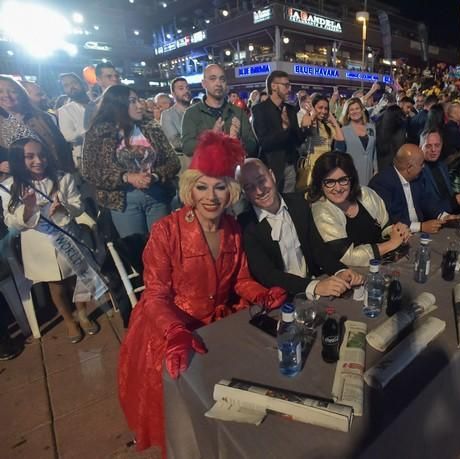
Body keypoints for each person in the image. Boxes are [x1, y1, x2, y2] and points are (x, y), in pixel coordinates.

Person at [118, 132, 285, 457]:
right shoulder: (166, 230)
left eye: (219, 186)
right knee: (181, 420)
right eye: (202, 186)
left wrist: (263, 295)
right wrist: (175, 331)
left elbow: (241, 280)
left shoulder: (233, 229)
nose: (211, 196)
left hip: (216, 324)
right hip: (168, 330)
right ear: (190, 189)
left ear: (230, 191)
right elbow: (154, 295)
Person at [0, 138, 100, 343]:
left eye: (42, 154)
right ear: (19, 159)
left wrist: (65, 209)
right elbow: (12, 223)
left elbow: (77, 205)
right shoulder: (9, 187)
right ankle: (68, 320)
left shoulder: (63, 178)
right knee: (56, 286)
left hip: (67, 237)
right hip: (39, 246)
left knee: (78, 278)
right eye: (30, 156)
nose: (38, 160)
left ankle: (81, 313)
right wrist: (27, 208)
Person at [237, 158, 362, 298]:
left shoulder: (298, 203)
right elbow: (267, 274)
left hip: (315, 286)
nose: (259, 190)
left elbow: (318, 248)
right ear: (244, 193)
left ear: (272, 175)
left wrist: (339, 270)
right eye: (249, 187)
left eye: (261, 180)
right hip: (280, 298)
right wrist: (314, 286)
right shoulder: (246, 225)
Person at [82, 85, 180, 238]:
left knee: (164, 246)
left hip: (157, 196)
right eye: (133, 101)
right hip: (124, 201)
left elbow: (173, 161)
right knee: (136, 250)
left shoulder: (151, 127)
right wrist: (126, 177)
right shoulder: (99, 133)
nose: (140, 106)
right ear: (118, 104)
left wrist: (154, 176)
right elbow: (90, 171)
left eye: (138, 100)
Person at [309, 151, 411, 267]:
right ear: (320, 184)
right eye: (330, 182)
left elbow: (386, 226)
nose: (338, 188)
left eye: (343, 180)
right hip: (351, 274)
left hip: (384, 265)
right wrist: (391, 244)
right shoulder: (321, 210)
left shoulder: (366, 194)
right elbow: (348, 257)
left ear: (351, 179)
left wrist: (398, 231)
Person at [0, 76, 75, 174]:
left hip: (53, 176)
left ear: (21, 93)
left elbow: (61, 146)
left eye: (12, 91)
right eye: (0, 91)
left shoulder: (42, 117)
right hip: (18, 182)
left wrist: (69, 172)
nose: (6, 95)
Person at [369, 144, 448, 234]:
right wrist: (421, 227)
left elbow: (427, 201)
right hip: (397, 238)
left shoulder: (416, 177)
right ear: (409, 168)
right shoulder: (381, 183)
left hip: (419, 233)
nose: (423, 167)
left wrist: (444, 216)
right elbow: (391, 218)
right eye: (421, 164)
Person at [181, 64, 257, 158]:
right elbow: (187, 147)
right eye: (213, 79)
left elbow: (253, 145)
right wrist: (211, 137)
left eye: (222, 79)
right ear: (203, 83)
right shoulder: (192, 113)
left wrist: (237, 141)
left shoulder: (238, 112)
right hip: (205, 171)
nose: (218, 83)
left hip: (234, 170)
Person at [251, 70, 309, 193]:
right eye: (286, 85)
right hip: (271, 166)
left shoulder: (291, 110)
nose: (289, 89)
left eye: (290, 85)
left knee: (290, 202)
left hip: (290, 165)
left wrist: (304, 127)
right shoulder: (259, 110)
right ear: (274, 86)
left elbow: (298, 140)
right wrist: (284, 129)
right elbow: (264, 143)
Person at [419, 129, 460, 213]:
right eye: (428, 146)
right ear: (420, 147)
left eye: (437, 145)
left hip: (452, 213)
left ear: (441, 146)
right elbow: (425, 208)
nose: (433, 150)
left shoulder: (443, 165)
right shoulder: (418, 171)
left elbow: (449, 195)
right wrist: (455, 201)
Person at [296, 93, 344, 190]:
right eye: (320, 108)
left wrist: (333, 120)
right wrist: (312, 114)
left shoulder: (327, 126)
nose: (323, 111)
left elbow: (341, 139)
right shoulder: (307, 118)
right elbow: (305, 127)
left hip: (326, 166)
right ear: (313, 107)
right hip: (311, 166)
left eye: (326, 108)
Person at [334, 98, 377, 185]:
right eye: (351, 110)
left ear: (362, 110)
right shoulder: (343, 131)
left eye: (357, 108)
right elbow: (338, 154)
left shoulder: (371, 127)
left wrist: (376, 169)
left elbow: (374, 150)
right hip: (350, 173)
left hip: (369, 173)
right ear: (348, 113)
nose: (355, 111)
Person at [57, 73, 90, 169]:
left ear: (82, 83)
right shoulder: (65, 110)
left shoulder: (97, 103)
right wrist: (89, 132)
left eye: (74, 82)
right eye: (66, 85)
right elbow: (68, 136)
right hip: (84, 157)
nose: (71, 87)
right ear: (63, 90)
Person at [160, 77, 192, 170]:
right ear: (173, 94)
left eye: (187, 88)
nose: (186, 91)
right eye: (181, 88)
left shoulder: (198, 111)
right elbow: (176, 143)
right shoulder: (167, 115)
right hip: (185, 164)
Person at [83, 62, 121, 126]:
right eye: (109, 76)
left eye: (116, 76)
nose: (115, 79)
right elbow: (89, 131)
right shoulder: (93, 107)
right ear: (99, 80)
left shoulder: (129, 100)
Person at [375, 104, 407, 170]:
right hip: (393, 166)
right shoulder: (400, 130)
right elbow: (400, 149)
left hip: (379, 165)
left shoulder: (377, 126)